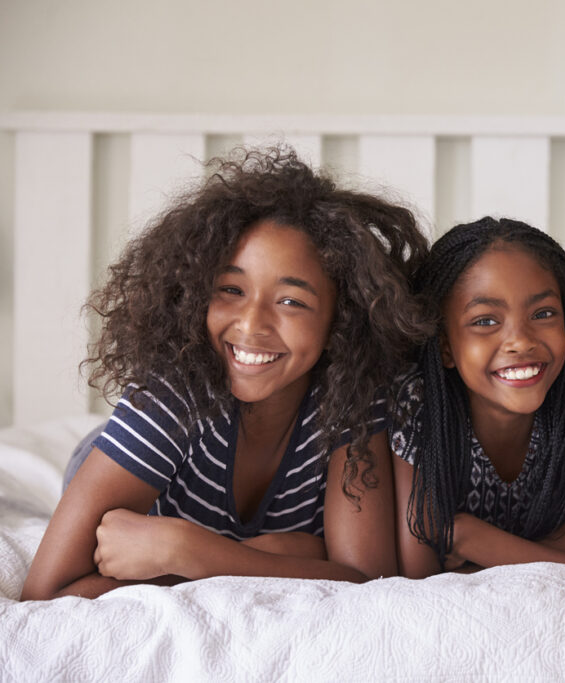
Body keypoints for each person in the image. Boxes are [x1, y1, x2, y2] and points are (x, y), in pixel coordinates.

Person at [21, 148, 430, 600]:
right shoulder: (173, 396)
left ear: (342, 317)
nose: (252, 324)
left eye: (291, 301)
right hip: (120, 466)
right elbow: (46, 592)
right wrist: (284, 557)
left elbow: (367, 583)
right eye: (231, 290)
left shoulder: (351, 399)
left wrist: (191, 551)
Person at [390, 217, 565, 577]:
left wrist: (471, 539)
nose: (521, 341)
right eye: (485, 321)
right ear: (445, 345)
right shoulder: (420, 402)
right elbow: (421, 576)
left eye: (543, 314)